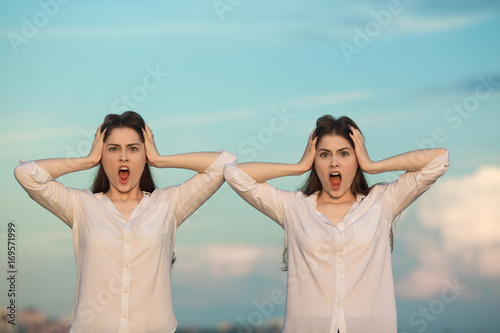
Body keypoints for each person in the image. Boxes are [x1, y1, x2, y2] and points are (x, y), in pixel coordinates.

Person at [14, 111, 236, 333]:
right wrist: (87, 160)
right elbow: (26, 174)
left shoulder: (168, 204)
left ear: (144, 155)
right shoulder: (81, 205)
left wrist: (160, 159)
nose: (123, 157)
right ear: (102, 155)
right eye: (113, 149)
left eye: (133, 148)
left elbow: (224, 165)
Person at [223, 115, 449, 333]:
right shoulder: (293, 207)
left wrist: (372, 165)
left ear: (356, 159)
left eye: (344, 154)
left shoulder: (382, 202)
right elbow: (233, 174)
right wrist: (299, 166)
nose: (334, 162)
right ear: (315, 162)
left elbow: (438, 160)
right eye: (324, 155)